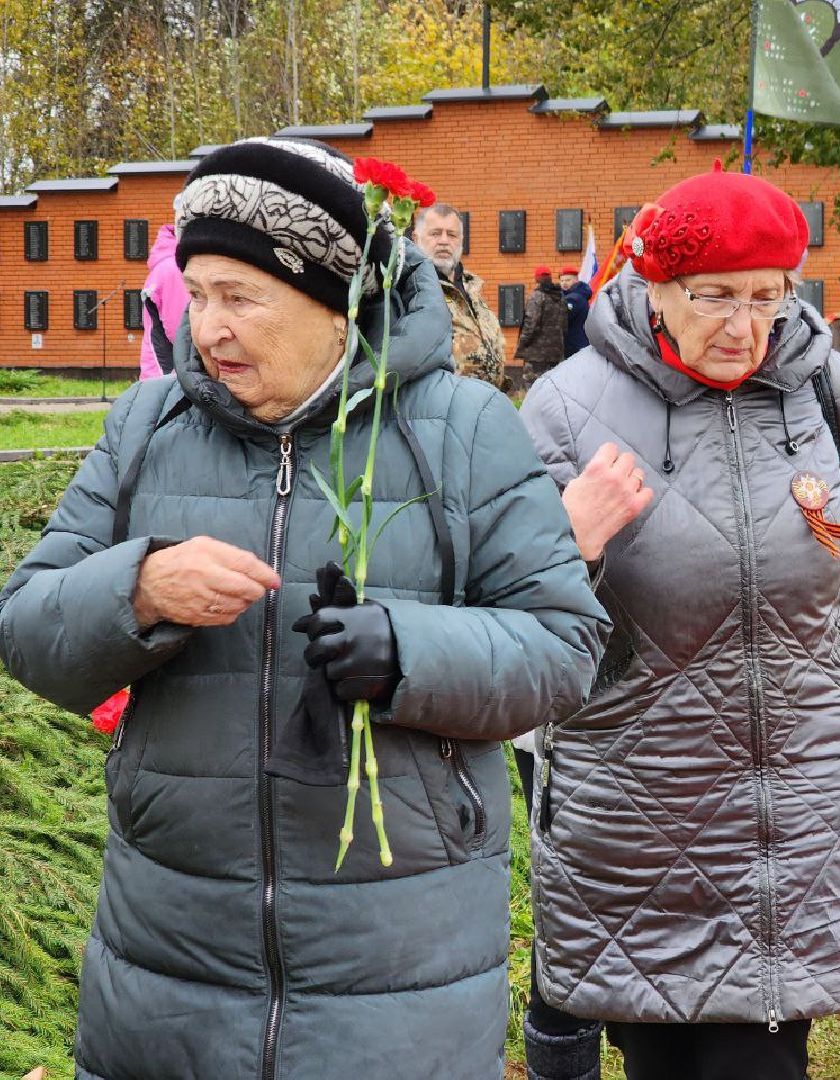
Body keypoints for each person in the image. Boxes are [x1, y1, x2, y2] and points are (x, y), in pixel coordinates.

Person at [0, 137, 609, 1080]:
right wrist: (136, 587)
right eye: (197, 295)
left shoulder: (463, 429)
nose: (208, 329)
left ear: (337, 303)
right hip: (170, 958)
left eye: (241, 298)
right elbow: (26, 625)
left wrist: (406, 651)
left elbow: (566, 647)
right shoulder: (145, 429)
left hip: (402, 967)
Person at [519, 167, 840, 1080]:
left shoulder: (826, 393)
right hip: (641, 809)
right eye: (713, 297)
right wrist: (569, 546)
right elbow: (522, 630)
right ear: (653, 287)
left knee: (765, 1060)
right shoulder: (565, 408)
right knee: (664, 1057)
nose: (744, 326)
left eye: (767, 296)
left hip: (802, 806)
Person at [413, 201, 508, 389]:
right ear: (416, 239)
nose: (444, 241)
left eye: (452, 234)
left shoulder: (472, 286)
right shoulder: (412, 288)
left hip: (487, 403)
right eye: (435, 233)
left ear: (461, 240)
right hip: (441, 407)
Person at [139, 222, 186, 378]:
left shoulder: (171, 263)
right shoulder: (173, 267)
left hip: (164, 370)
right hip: (167, 372)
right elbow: (180, 330)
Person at [516, 265, 569, 388]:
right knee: (553, 387)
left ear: (537, 279)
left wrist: (522, 344)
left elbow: (530, 324)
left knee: (534, 387)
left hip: (536, 354)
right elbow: (565, 326)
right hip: (556, 352)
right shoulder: (561, 298)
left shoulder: (537, 297)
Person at [559, 264, 592, 357]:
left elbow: (562, 319)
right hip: (579, 343)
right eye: (562, 280)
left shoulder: (573, 299)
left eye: (568, 280)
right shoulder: (577, 295)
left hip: (573, 345)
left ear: (576, 280)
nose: (564, 283)